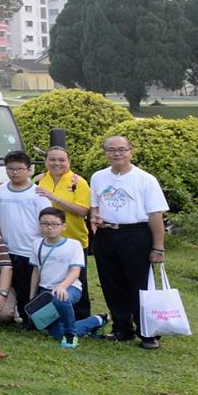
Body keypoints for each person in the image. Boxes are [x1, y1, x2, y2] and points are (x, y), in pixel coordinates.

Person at [89, 134, 169, 348]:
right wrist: (96, 217)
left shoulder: (145, 179)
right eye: (111, 149)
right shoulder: (98, 177)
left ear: (130, 151)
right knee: (112, 284)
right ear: (105, 153)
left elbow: (155, 216)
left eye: (121, 149)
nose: (117, 153)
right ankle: (121, 328)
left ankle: (148, 332)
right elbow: (94, 205)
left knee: (139, 285)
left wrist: (158, 247)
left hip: (135, 235)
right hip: (106, 236)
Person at [0, 151, 49, 322]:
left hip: (32, 249)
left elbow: (46, 222)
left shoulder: (38, 194)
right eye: (10, 169)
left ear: (29, 170)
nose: (15, 172)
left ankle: (36, 319)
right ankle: (21, 316)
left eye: (19, 169)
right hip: (9, 249)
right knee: (15, 285)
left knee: (33, 286)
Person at [30, 206, 104, 348]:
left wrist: (63, 286)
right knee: (57, 333)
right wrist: (32, 296)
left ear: (63, 226)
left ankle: (71, 334)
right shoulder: (36, 244)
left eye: (54, 224)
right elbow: (36, 271)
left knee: (60, 298)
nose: (49, 228)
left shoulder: (73, 245)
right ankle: (97, 321)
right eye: (44, 224)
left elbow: (76, 271)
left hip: (70, 288)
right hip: (45, 291)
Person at [36, 145, 92, 250]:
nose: (57, 163)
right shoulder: (39, 180)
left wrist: (55, 199)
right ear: (46, 161)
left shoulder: (78, 182)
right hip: (45, 240)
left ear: (68, 162)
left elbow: (83, 212)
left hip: (74, 241)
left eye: (62, 160)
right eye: (52, 159)